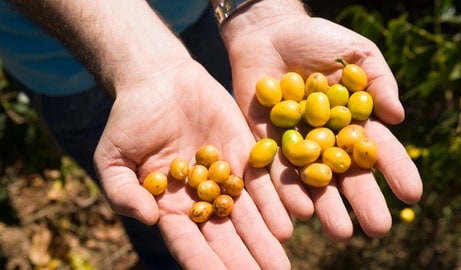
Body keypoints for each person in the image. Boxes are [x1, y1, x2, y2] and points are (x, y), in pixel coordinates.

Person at [0, 0, 423, 269]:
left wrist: (256, 8)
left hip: (204, 12)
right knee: (162, 218)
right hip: (62, 61)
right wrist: (139, 59)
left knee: (214, 134)